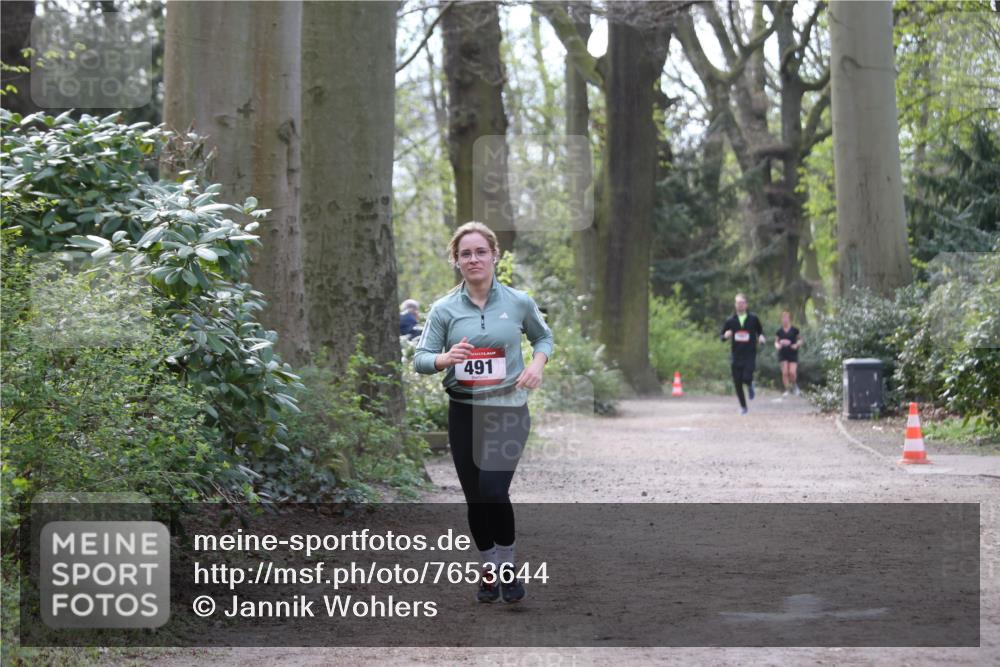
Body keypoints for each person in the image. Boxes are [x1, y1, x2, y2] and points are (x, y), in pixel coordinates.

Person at [413, 221, 553, 604]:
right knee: (476, 498)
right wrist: (444, 358)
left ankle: (508, 568)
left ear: (494, 255)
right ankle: (489, 569)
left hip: (508, 409)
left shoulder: (518, 302)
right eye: (465, 254)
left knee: (494, 490)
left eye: (480, 252)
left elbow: (543, 337)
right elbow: (420, 359)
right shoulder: (443, 309)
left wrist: (537, 365)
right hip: (464, 413)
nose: (473, 259)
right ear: (456, 262)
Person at [719, 293, 766, 415]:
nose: (739, 305)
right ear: (735, 305)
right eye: (737, 303)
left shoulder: (753, 319)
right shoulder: (730, 321)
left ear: (746, 304)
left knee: (746, 377)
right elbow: (721, 336)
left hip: (749, 353)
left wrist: (761, 338)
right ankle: (743, 407)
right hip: (736, 354)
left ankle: (750, 384)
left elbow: (760, 331)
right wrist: (725, 336)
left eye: (742, 302)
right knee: (737, 382)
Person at [774, 310, 802, 397]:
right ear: (782, 319)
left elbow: (800, 340)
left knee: (792, 372)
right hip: (782, 354)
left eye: (787, 318)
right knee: (785, 372)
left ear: (790, 319)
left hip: (792, 353)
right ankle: (787, 389)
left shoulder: (795, 330)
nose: (785, 320)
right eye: (783, 318)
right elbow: (776, 342)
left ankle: (794, 385)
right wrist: (777, 345)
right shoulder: (779, 331)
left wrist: (796, 345)